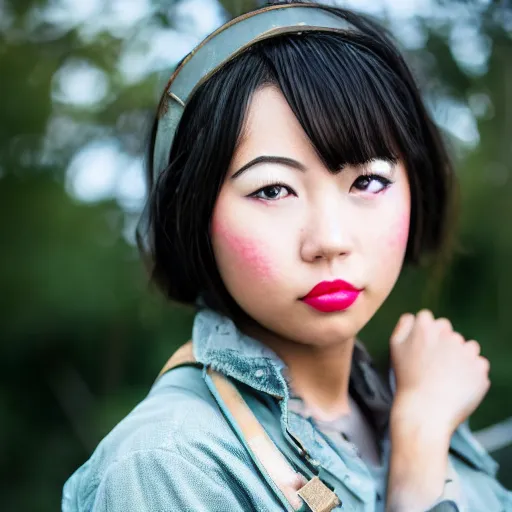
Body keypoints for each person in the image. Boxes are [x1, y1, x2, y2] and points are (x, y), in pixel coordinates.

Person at [62, 1, 512, 511]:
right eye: (273, 190)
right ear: (196, 214)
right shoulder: (170, 463)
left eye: (368, 181)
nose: (330, 239)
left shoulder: (415, 398)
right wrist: (419, 445)